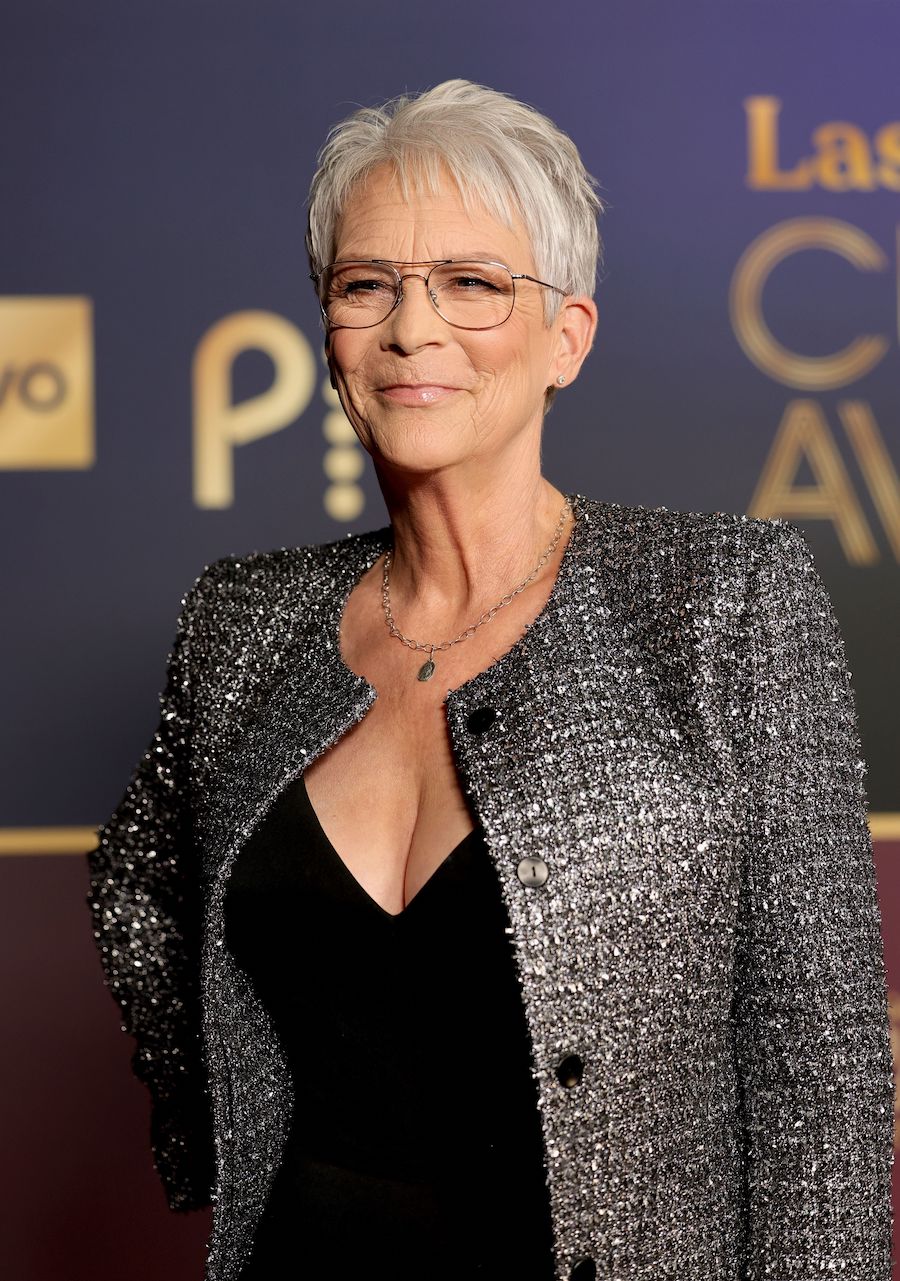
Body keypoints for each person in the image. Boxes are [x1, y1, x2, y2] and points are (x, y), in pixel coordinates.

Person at [86, 79, 894, 1281]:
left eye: (471, 283)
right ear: (329, 334)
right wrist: (230, 1121)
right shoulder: (242, 622)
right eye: (368, 286)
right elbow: (137, 894)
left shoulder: (722, 599)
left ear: (567, 336)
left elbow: (818, 1066)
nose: (414, 330)